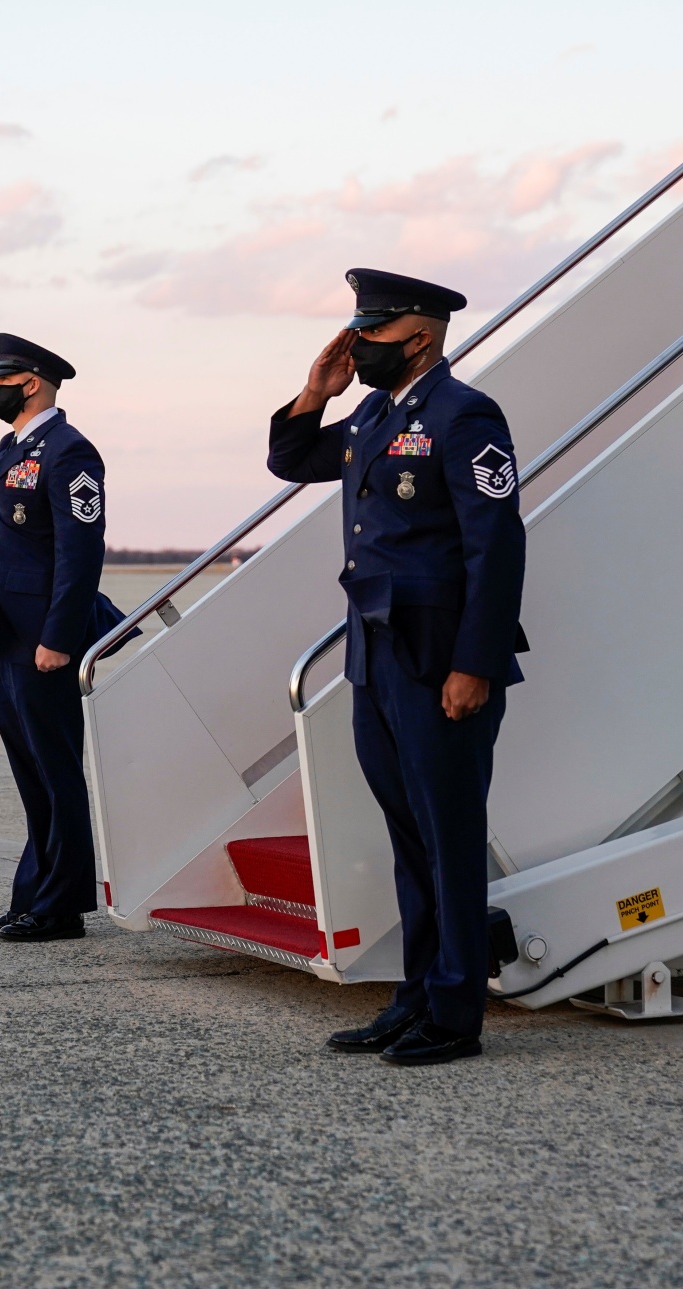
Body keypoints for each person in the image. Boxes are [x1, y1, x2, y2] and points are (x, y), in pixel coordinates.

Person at [266, 270, 527, 1066]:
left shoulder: (464, 414)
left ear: (420, 334)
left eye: (371, 333)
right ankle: (415, 995)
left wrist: (474, 663)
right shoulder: (375, 412)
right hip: (375, 654)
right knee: (408, 835)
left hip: (439, 660)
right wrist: (317, 388)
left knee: (448, 836)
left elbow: (497, 544)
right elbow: (292, 456)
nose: (358, 345)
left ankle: (455, 1013)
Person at [0, 334, 115, 943]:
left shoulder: (69, 451)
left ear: (31, 383)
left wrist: (60, 637)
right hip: (6, 636)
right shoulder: (14, 448)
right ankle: (33, 897)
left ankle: (62, 906)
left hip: (43, 640)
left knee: (55, 770)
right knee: (30, 770)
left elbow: (81, 552)